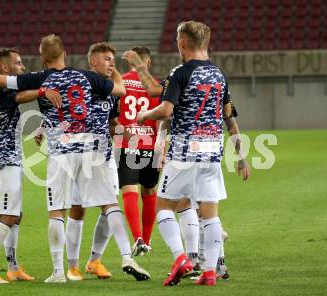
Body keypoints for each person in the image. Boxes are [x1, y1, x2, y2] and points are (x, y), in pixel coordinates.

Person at [0, 34, 150, 284]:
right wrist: (116, 71)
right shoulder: (87, 76)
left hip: (61, 151)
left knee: (57, 211)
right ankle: (127, 256)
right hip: (91, 147)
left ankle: (59, 272)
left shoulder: (39, 78)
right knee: (109, 203)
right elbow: (120, 90)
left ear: (42, 58)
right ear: (64, 53)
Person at [135, 21, 250, 286]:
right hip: (212, 152)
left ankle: (181, 258)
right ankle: (210, 271)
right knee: (210, 214)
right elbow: (229, 117)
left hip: (185, 151)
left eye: (177, 40)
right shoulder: (219, 75)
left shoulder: (181, 72)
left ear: (183, 43)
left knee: (163, 207)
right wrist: (241, 155)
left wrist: (144, 115)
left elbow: (165, 111)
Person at [0, 47, 57, 284]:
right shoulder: (2, 90)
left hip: (9, 159)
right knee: (8, 215)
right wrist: (42, 91)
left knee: (16, 215)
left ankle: (13, 267)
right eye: (18, 63)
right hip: (4, 160)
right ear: (5, 69)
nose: (23, 67)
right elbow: (20, 97)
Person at [64, 42, 120, 281]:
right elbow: (66, 115)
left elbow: (112, 121)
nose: (112, 63)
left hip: (105, 157)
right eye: (107, 59)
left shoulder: (111, 92)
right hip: (81, 156)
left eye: (113, 59)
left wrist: (120, 129)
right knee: (78, 209)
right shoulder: (79, 88)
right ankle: (73, 266)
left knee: (110, 206)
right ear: (93, 61)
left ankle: (95, 260)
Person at [116, 46, 161, 256]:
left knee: (129, 190)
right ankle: (149, 239)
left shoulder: (120, 83)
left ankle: (138, 239)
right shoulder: (156, 86)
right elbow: (164, 118)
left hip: (127, 142)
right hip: (151, 143)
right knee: (150, 191)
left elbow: (112, 115)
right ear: (148, 63)